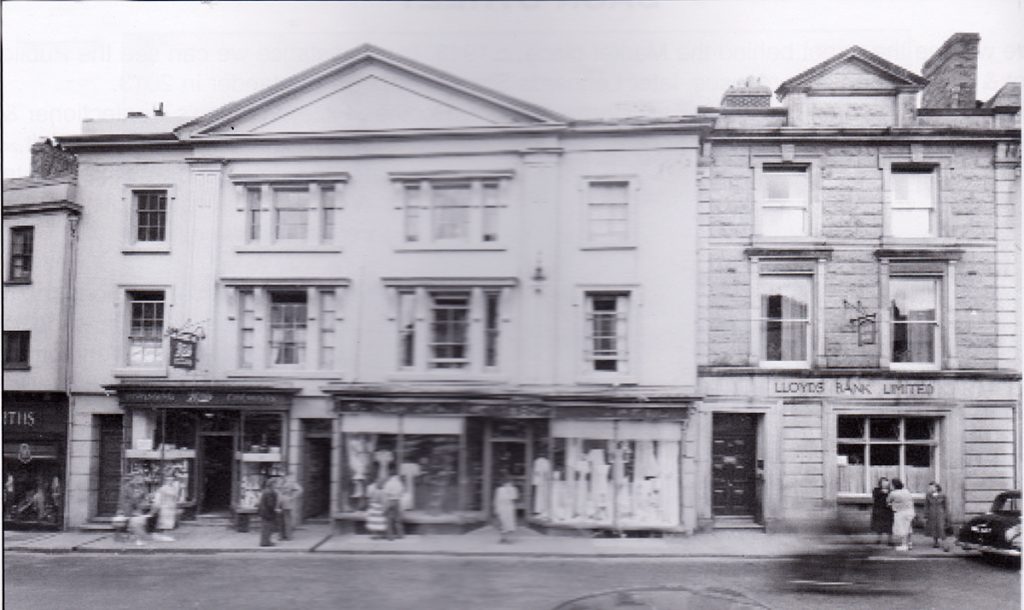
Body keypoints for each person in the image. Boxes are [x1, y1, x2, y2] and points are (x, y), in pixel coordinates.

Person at [887, 478, 915, 551]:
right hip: (910, 511)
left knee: (902, 528)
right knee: (909, 528)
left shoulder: (893, 493)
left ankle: (904, 545)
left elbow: (888, 501)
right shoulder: (907, 491)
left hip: (900, 512)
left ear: (893, 485)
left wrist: (891, 504)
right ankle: (910, 543)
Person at [150, 477, 179, 542]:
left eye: (172, 480)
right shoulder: (162, 489)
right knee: (164, 522)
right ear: (165, 481)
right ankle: (163, 536)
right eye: (168, 480)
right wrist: (156, 507)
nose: (170, 481)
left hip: (171, 507)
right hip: (164, 507)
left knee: (169, 522)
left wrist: (175, 506)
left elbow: (175, 498)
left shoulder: (174, 489)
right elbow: (158, 499)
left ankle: (166, 535)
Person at [276, 475, 303, 541]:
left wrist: (292, 497)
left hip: (287, 503)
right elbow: (276, 490)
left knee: (287, 520)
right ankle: (281, 536)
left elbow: (300, 490)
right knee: (280, 520)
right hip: (279, 503)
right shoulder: (279, 481)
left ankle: (288, 536)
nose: (282, 477)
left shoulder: (291, 482)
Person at [925, 481, 950, 551]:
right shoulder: (928, 495)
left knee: (941, 528)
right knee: (933, 527)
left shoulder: (943, 495)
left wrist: (947, 515)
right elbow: (926, 505)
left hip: (940, 513)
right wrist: (926, 514)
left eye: (932, 487)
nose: (930, 488)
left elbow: (946, 506)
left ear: (936, 487)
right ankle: (935, 542)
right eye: (929, 487)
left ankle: (945, 544)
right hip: (932, 513)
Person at [493, 479, 519, 543]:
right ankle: (502, 538)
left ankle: (507, 538)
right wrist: (496, 508)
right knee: (502, 523)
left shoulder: (513, 489)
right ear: (504, 483)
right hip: (501, 507)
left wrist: (510, 490)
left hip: (509, 508)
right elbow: (496, 499)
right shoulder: (499, 490)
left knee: (509, 524)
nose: (508, 485)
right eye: (507, 483)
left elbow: (514, 498)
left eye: (510, 484)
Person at [382, 471, 405, 540]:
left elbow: (385, 492)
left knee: (389, 520)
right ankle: (400, 534)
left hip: (390, 501)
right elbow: (402, 492)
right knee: (397, 519)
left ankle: (390, 536)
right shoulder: (399, 483)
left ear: (390, 476)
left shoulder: (388, 483)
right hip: (397, 501)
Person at [870, 477, 894, 545]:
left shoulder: (891, 491)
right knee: (879, 526)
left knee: (889, 526)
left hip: (888, 510)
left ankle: (890, 541)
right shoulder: (876, 490)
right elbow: (875, 497)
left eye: (886, 482)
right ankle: (878, 540)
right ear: (880, 483)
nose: (885, 484)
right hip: (879, 510)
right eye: (883, 482)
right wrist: (883, 492)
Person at [258, 478, 280, 547]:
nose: (277, 485)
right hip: (267, 512)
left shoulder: (266, 491)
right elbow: (270, 504)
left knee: (266, 527)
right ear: (272, 484)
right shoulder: (270, 492)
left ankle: (265, 541)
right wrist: (275, 509)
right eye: (276, 483)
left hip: (264, 512)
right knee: (267, 527)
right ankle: (265, 542)